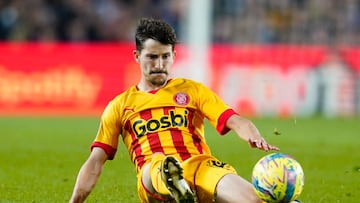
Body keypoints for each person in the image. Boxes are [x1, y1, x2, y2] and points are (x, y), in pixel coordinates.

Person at [69, 18, 281, 203]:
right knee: (158, 163)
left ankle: (186, 192)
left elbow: (233, 119)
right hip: (152, 176)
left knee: (254, 199)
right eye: (152, 57)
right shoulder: (120, 105)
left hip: (200, 168)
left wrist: (253, 135)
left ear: (173, 55)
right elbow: (95, 162)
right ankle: (175, 184)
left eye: (165, 56)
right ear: (137, 56)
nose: (160, 64)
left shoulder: (192, 90)